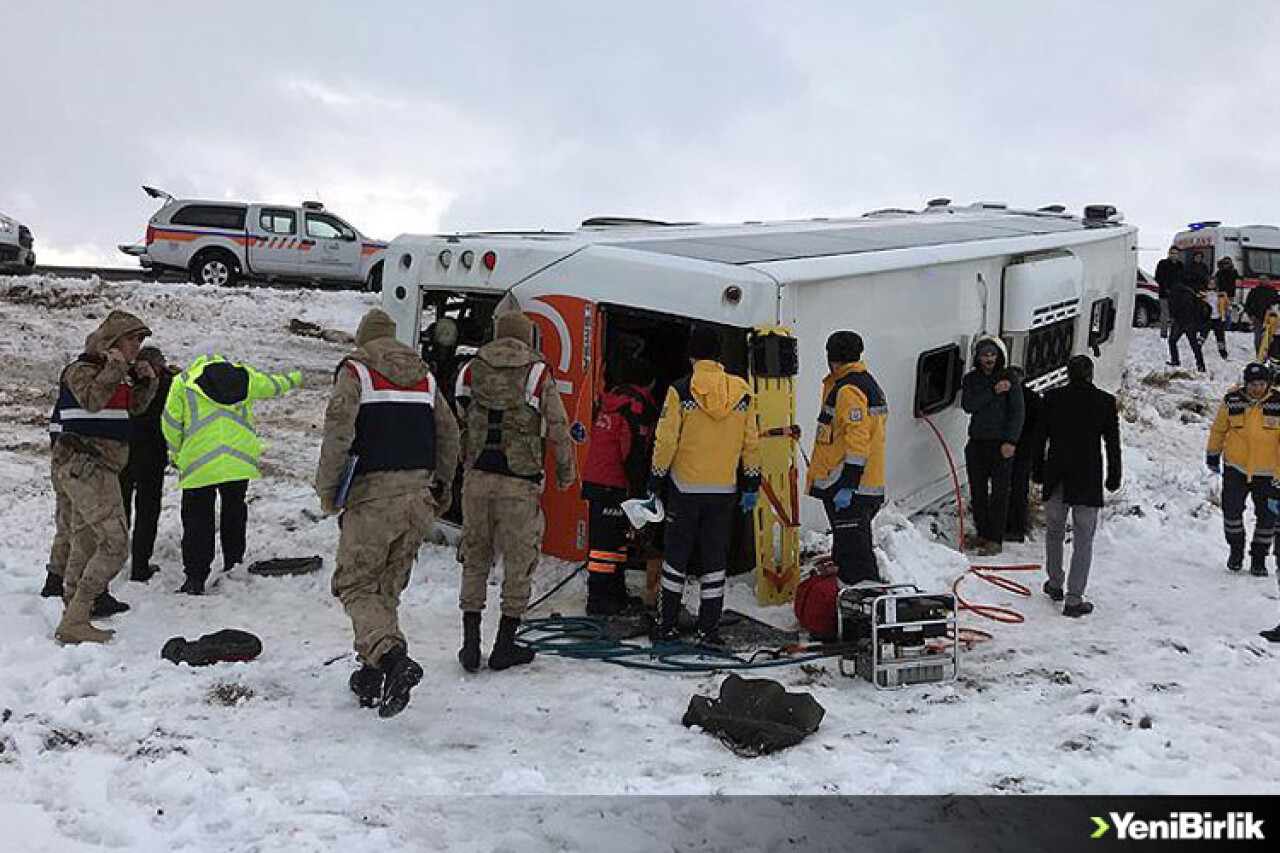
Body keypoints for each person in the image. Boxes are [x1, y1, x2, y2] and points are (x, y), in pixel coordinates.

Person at [315, 309, 459, 717]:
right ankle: (374, 672)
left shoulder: (357, 372)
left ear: (364, 339)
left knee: (356, 586)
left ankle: (392, 658)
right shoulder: (426, 378)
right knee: (385, 590)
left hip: (373, 499)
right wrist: (442, 487)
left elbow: (337, 435)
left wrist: (328, 492)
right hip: (418, 499)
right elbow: (450, 434)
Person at [454, 311, 576, 672]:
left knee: (475, 556)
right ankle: (505, 644)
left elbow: (460, 413)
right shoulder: (538, 373)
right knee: (519, 561)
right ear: (526, 339)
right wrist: (566, 473)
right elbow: (557, 425)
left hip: (476, 477)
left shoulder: (471, 369)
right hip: (519, 481)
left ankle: (470, 646)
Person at [47, 311, 157, 643]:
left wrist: (147, 382)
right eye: (132, 339)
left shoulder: (117, 375)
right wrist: (114, 369)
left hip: (104, 467)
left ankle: (74, 611)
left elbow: (132, 409)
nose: (137, 346)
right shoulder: (79, 370)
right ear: (112, 342)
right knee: (114, 543)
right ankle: (76, 615)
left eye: (140, 340)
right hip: (85, 465)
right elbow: (93, 401)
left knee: (87, 540)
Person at [648, 326, 761, 646]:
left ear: (691, 353)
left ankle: (667, 625)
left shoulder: (680, 391)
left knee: (676, 559)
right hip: (723, 491)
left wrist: (655, 480)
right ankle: (708, 629)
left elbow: (666, 441)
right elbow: (751, 443)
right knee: (715, 562)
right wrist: (751, 482)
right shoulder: (742, 392)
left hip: (684, 490)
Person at [162, 347, 302, 595]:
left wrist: (178, 455)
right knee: (234, 510)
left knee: (197, 519)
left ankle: (195, 578)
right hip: (238, 461)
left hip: (199, 462)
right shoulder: (243, 376)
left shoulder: (183, 382)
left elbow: (171, 422)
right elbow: (272, 386)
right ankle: (233, 564)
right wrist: (296, 377)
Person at [1032, 355, 1121, 617]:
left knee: (1054, 533)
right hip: (1088, 478)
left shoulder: (1052, 399)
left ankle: (1055, 582)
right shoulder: (1104, 402)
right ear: (1091, 374)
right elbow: (1112, 443)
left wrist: (1037, 470)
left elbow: (1039, 439)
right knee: (1084, 539)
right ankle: (1074, 597)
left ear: (1067, 374)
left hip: (1057, 474)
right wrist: (1114, 475)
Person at [805, 331, 887, 585]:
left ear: (831, 357)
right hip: (862, 486)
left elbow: (856, 436)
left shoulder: (848, 389)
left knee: (855, 559)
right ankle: (850, 609)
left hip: (850, 489)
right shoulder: (865, 383)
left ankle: (864, 609)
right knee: (846, 552)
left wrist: (848, 484)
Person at [581, 357, 659, 616]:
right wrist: (638, 493)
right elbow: (632, 453)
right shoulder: (635, 408)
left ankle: (614, 595)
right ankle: (600, 601)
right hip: (611, 483)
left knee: (614, 544)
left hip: (598, 480)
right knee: (605, 549)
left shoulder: (614, 400)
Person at [1206, 362, 1280, 576]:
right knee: (1231, 511)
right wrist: (1213, 453)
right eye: (1253, 384)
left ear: (1268, 384)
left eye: (1261, 384)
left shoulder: (1277, 402)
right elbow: (1219, 429)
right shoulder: (1232, 400)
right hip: (1236, 468)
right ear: (1245, 384)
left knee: (1267, 518)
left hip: (1269, 473)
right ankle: (1235, 551)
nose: (1257, 388)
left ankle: (1258, 557)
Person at [960, 336, 1024, 556]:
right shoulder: (971, 380)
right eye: (985, 355)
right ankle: (983, 532)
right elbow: (968, 405)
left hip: (1001, 444)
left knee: (999, 492)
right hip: (977, 442)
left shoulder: (1009, 380)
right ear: (978, 357)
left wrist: (1011, 441)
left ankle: (995, 538)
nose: (989, 359)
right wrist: (993, 392)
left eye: (992, 355)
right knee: (977, 491)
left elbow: (1017, 412)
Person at [119, 346, 177, 583]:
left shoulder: (126, 381)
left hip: (125, 451)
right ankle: (140, 565)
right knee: (147, 510)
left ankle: (116, 558)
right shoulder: (168, 385)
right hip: (152, 454)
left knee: (123, 508)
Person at [1004, 366, 1042, 543]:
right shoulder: (1034, 399)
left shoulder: (1005, 398)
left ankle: (1011, 526)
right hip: (1022, 450)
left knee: (1008, 488)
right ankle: (1015, 527)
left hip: (1013, 449)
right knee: (1018, 489)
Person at [1166, 273, 1207, 372]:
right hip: (1190, 322)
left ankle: (1175, 360)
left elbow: (1173, 309)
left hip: (1179, 321)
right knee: (1194, 344)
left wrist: (1174, 317)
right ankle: (1201, 365)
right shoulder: (1190, 292)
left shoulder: (1174, 292)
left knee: (1172, 341)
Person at [1154, 247, 1184, 340]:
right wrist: (1165, 287)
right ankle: (1164, 333)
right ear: (1168, 254)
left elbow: (1183, 278)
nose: (1174, 255)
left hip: (1177, 294)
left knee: (1176, 314)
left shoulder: (1180, 265)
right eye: (1172, 253)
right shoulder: (1163, 264)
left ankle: (1175, 332)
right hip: (1164, 293)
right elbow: (1158, 277)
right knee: (1165, 314)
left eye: (1175, 253)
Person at [1244, 275, 1278, 356]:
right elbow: (1248, 304)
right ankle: (1258, 354)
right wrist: (1250, 314)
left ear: (1269, 280)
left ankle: (1269, 354)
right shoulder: (1254, 291)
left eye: (1265, 279)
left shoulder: (1273, 291)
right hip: (1257, 317)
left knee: (1270, 337)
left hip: (1270, 318)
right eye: (1262, 279)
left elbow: (1277, 303)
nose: (1263, 281)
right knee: (1258, 338)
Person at [1200, 276, 1231, 360]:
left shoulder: (1221, 294)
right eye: (1210, 283)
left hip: (1218, 317)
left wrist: (1226, 309)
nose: (1211, 285)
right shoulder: (1203, 294)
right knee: (1203, 334)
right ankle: (1197, 348)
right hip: (1207, 318)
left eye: (1213, 284)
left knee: (1220, 336)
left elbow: (1227, 304)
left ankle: (1223, 352)